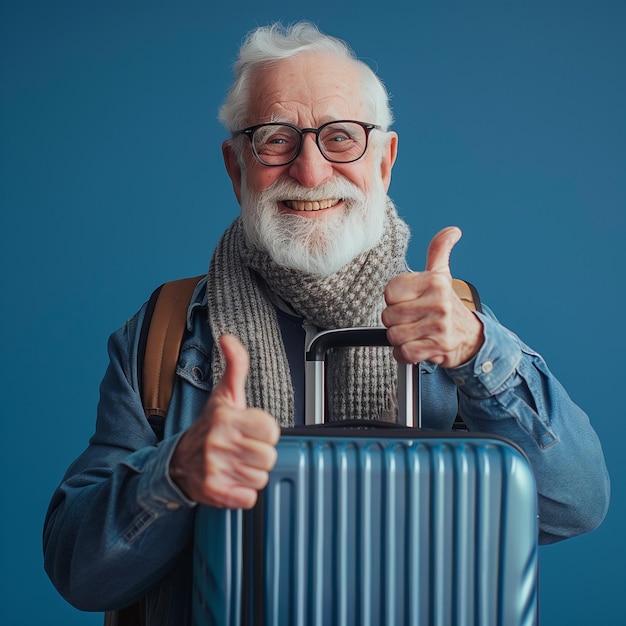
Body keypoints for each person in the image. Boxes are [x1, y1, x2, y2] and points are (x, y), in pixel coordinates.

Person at [43, 21, 610, 624]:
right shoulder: (162, 338)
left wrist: (479, 351)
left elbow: (576, 505)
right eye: (276, 140)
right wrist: (173, 474)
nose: (311, 171)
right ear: (237, 168)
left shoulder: (454, 328)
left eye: (341, 138)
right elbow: (80, 574)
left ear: (385, 160)